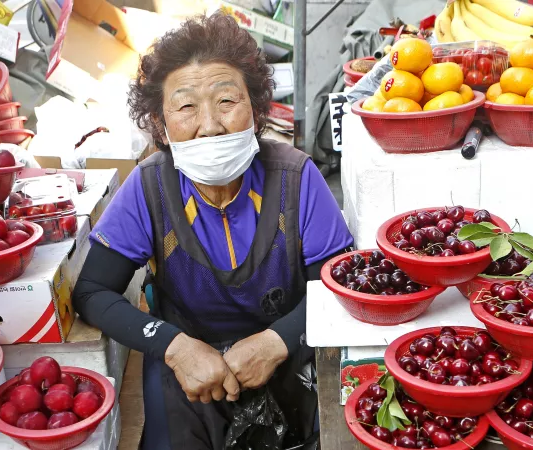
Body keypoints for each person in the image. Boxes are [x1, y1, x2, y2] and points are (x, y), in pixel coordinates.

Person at [73, 12, 354, 449]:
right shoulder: (149, 187)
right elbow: (91, 291)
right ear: (160, 123)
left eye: (227, 101)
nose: (209, 124)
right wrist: (173, 346)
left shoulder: (296, 179)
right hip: (187, 371)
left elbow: (340, 287)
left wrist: (278, 340)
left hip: (288, 356)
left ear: (257, 109)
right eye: (186, 106)